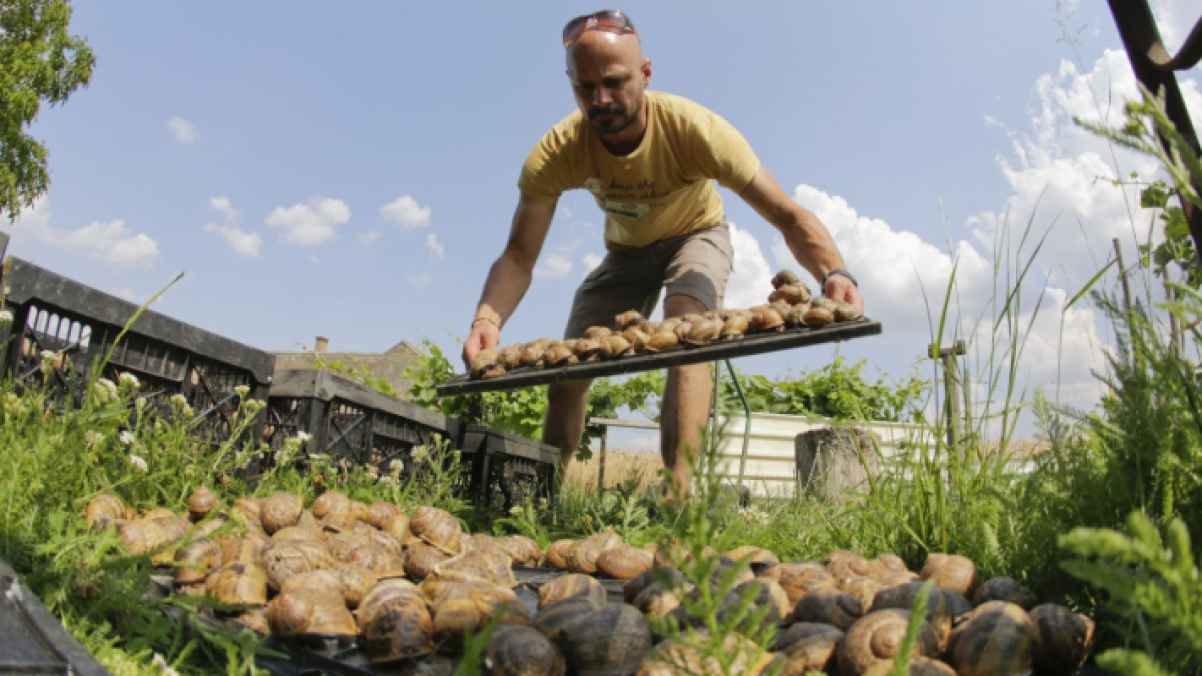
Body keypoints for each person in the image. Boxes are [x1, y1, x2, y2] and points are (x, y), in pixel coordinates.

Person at [462, 9, 863, 501]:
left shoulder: (696, 130)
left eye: (614, 83)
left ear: (645, 74)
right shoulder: (558, 151)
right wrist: (488, 320)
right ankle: (545, 495)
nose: (600, 100)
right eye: (585, 88)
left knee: (687, 328)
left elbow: (784, 214)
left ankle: (678, 491)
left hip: (697, 234)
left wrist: (834, 271)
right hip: (625, 254)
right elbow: (519, 256)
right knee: (570, 366)